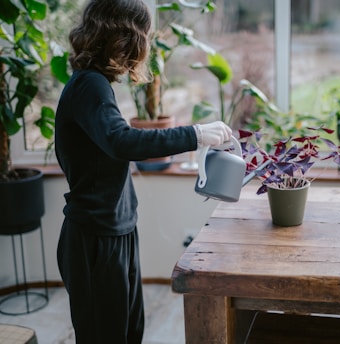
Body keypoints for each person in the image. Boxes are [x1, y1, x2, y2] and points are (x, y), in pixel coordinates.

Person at [54, 0, 232, 343]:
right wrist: (194, 134)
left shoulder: (95, 84)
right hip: (95, 239)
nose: (144, 47)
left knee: (128, 332)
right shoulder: (89, 86)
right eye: (143, 37)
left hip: (114, 232)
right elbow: (122, 142)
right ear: (124, 36)